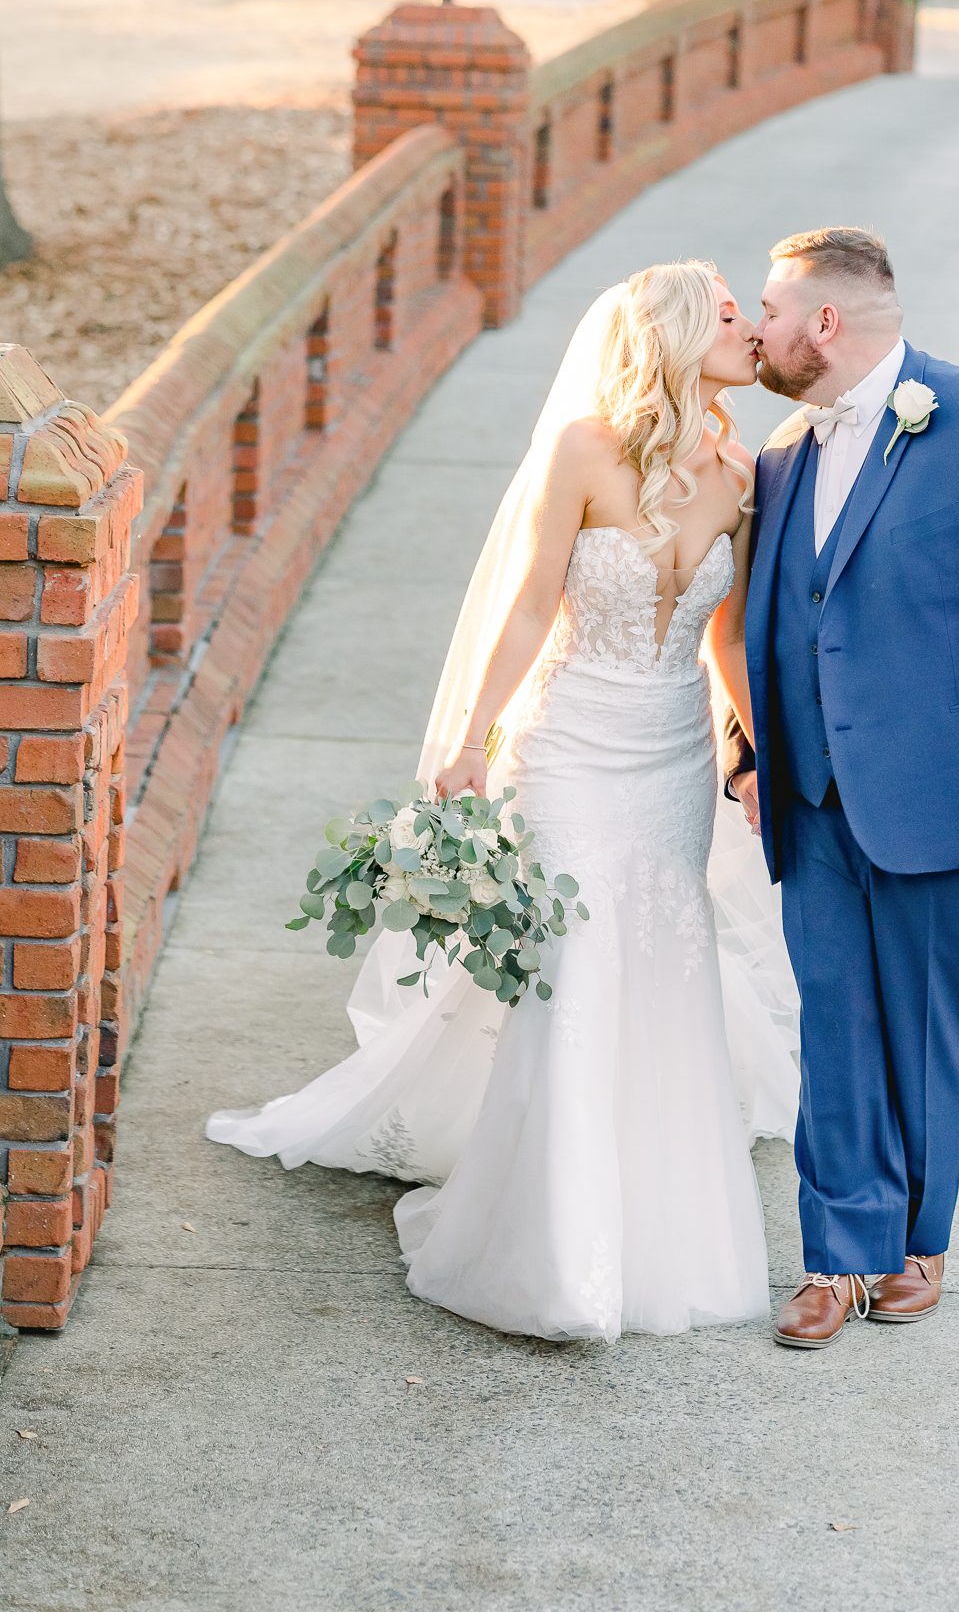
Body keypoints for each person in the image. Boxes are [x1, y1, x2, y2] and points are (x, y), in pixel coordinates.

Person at [206, 262, 799, 1343]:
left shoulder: (742, 473)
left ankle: (655, 1221)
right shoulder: (583, 448)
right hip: (568, 744)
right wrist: (472, 740)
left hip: (669, 756)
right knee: (573, 964)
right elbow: (527, 608)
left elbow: (724, 639)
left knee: (659, 964)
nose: (751, 330)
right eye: (729, 315)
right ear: (673, 332)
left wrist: (760, 754)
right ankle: (556, 1253)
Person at [718, 227, 959, 1350]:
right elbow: (766, 625)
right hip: (813, 800)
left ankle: (915, 1242)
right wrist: (752, 755)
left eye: (768, 310)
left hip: (955, 800)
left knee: (931, 1032)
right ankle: (838, 1257)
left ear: (824, 321)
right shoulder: (782, 452)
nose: (756, 328)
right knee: (834, 1027)